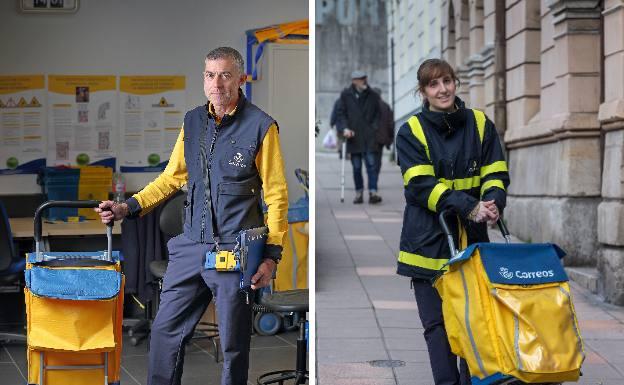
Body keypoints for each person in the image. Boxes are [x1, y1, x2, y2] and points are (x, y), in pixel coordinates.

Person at [95, 47, 289, 385]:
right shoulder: (193, 121)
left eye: (226, 74)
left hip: (235, 250)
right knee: (165, 333)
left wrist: (271, 256)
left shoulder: (261, 126)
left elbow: (276, 194)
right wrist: (129, 207)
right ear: (204, 79)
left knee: (232, 345)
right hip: (189, 246)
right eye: (210, 75)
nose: (217, 83)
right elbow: (172, 177)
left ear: (240, 79)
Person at [395, 58, 509, 385]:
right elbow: (420, 186)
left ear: (456, 82)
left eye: (447, 81)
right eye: (433, 84)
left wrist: (493, 202)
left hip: (471, 242)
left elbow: (496, 172)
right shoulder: (411, 131)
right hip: (427, 244)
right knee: (438, 326)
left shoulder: (480, 123)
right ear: (423, 92)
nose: (442, 89)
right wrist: (468, 206)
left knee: (473, 322)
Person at [335, 70, 382, 204]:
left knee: (371, 165)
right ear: (354, 81)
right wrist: (345, 128)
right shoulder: (346, 95)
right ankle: (359, 192)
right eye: (360, 79)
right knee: (356, 167)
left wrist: (374, 128)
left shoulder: (372, 95)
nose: (363, 80)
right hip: (353, 137)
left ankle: (373, 192)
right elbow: (341, 113)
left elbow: (378, 114)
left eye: (364, 78)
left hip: (369, 137)